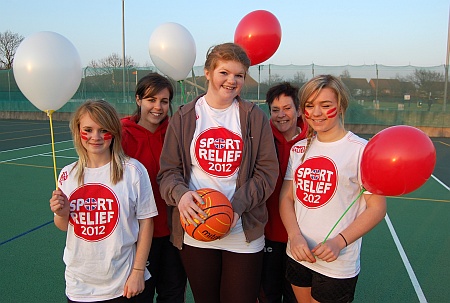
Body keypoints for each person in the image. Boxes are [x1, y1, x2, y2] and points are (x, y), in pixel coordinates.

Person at [157, 42, 279, 303]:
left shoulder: (253, 116)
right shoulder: (185, 116)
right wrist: (181, 196)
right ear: (208, 73)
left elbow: (267, 172)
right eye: (224, 72)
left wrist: (235, 207)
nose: (231, 81)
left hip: (242, 228)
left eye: (239, 75)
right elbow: (168, 172)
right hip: (197, 227)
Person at [279, 75, 387, 303]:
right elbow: (287, 198)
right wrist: (294, 236)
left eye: (325, 105)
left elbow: (377, 208)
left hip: (337, 263)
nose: (316, 113)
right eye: (310, 105)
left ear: (340, 106)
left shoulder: (361, 151)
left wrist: (339, 242)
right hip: (299, 254)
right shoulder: (299, 148)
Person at [49, 99, 158, 302]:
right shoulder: (67, 174)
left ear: (114, 132)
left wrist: (137, 272)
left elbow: (146, 222)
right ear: (78, 131)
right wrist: (61, 213)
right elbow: (64, 226)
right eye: (88, 130)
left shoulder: (133, 171)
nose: (95, 137)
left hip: (123, 283)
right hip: (79, 284)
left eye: (103, 130)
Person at [121, 73, 187, 302]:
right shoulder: (122, 135)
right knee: (140, 294)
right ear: (138, 100)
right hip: (138, 235)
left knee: (173, 294)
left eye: (164, 101)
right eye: (151, 100)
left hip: (174, 233)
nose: (158, 107)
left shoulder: (178, 132)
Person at [259, 82, 307, 303]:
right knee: (267, 295)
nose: (281, 115)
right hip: (267, 235)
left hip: (302, 239)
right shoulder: (261, 139)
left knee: (295, 298)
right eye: (275, 110)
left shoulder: (313, 143)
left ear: (298, 110)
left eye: (287, 108)